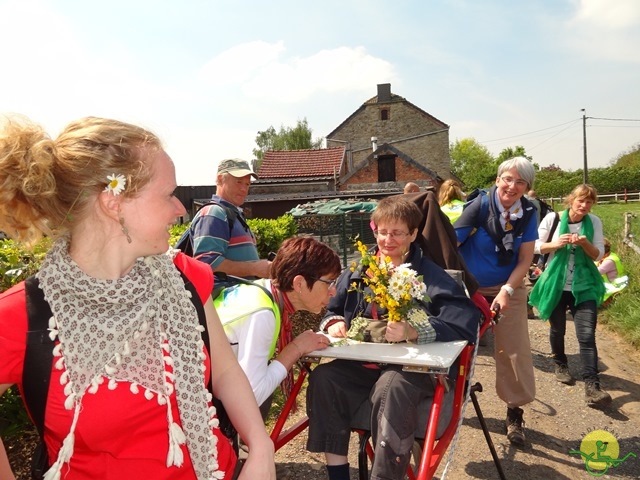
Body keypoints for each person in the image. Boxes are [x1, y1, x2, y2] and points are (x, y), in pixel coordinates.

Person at [0, 116, 275, 480]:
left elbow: (224, 370)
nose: (180, 209)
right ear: (113, 201)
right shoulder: (24, 314)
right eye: (167, 194)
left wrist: (260, 448)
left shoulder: (185, 277)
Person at [306, 196, 479, 480]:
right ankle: (338, 475)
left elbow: (466, 319)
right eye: (383, 232)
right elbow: (332, 308)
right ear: (374, 231)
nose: (388, 239)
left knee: (391, 386)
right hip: (362, 366)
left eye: (398, 232)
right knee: (325, 378)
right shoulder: (358, 271)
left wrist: (414, 331)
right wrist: (334, 321)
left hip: (412, 370)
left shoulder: (431, 275)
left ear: (413, 234)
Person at [454, 157, 537, 448]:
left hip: (508, 288)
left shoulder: (528, 212)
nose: (512, 186)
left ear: (527, 187)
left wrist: (507, 291)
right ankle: (452, 398)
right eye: (508, 179)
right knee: (458, 344)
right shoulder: (479, 205)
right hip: (470, 288)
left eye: (520, 181)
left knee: (514, 351)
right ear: (498, 178)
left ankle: (514, 413)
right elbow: (452, 245)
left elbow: (526, 259)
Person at [214, 236, 341, 414]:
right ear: (299, 284)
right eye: (330, 282)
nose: (334, 291)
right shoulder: (262, 312)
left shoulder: (261, 292)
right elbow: (252, 396)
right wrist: (296, 348)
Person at [529, 184, 611, 408]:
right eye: (580, 201)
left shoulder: (593, 222)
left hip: (584, 285)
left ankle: (592, 386)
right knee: (558, 329)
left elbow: (598, 254)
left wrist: (584, 243)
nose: (584, 206)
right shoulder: (552, 219)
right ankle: (560, 364)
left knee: (586, 335)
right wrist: (555, 244)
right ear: (571, 200)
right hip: (555, 284)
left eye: (589, 202)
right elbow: (535, 246)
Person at [190, 158, 272, 291]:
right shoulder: (214, 213)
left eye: (247, 184)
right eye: (239, 182)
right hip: (225, 305)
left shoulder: (232, 214)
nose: (244, 189)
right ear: (220, 179)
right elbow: (206, 264)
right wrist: (254, 268)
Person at [596, 238, 628, 304]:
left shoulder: (609, 261)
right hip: (610, 283)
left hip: (612, 286)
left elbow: (596, 272)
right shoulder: (609, 255)